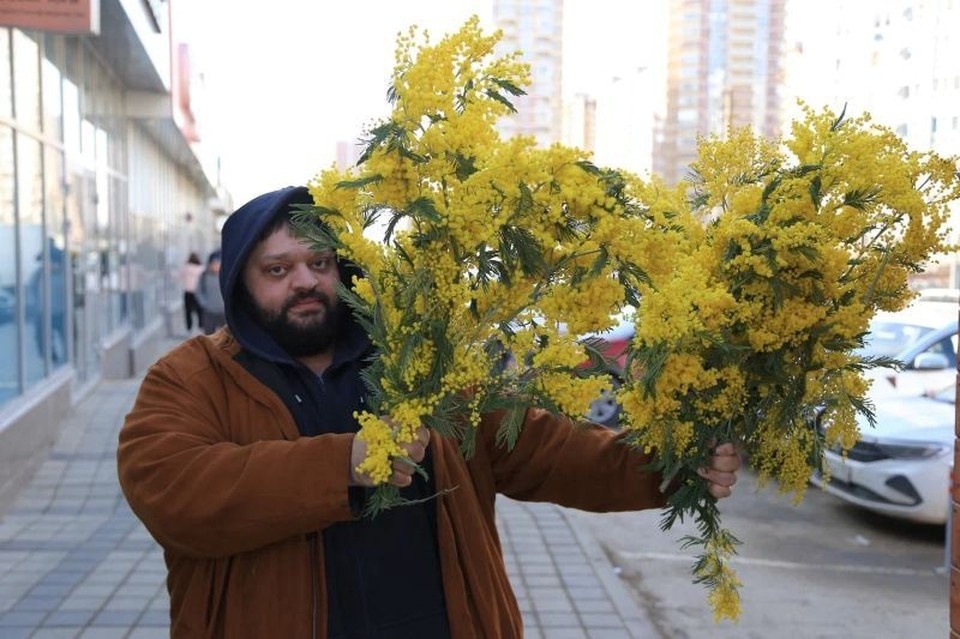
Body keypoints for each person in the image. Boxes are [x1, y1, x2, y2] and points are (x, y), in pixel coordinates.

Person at [117, 186, 741, 638]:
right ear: (242, 285)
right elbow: (171, 489)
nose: (303, 282)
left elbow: (545, 451)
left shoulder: (423, 362)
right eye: (277, 269)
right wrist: (346, 464)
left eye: (319, 263)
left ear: (343, 268)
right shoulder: (191, 378)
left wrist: (675, 467)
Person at [194, 249, 225, 335]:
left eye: (218, 262)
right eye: (214, 263)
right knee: (209, 337)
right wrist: (205, 303)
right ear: (210, 264)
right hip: (209, 312)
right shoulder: (204, 276)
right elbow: (198, 292)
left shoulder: (226, 276)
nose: (216, 265)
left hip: (224, 313)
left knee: (227, 339)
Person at [177, 252, 204, 333]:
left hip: (188, 292)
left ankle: (189, 328)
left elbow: (179, 276)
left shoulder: (186, 268)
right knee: (200, 310)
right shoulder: (201, 268)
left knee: (188, 311)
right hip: (198, 292)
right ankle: (201, 326)